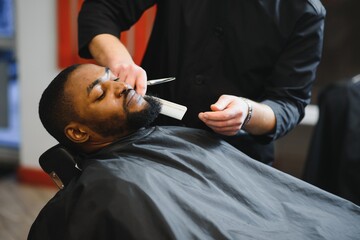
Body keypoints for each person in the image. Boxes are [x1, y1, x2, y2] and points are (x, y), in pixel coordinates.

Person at [28, 63, 360, 240]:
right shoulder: (109, 189)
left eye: (114, 77)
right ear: (77, 132)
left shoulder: (180, 136)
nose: (122, 86)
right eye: (102, 93)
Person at [77, 0, 326, 164]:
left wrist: (248, 112)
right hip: (148, 137)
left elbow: (289, 103)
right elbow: (103, 8)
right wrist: (121, 63)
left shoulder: (304, 12)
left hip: (234, 158)